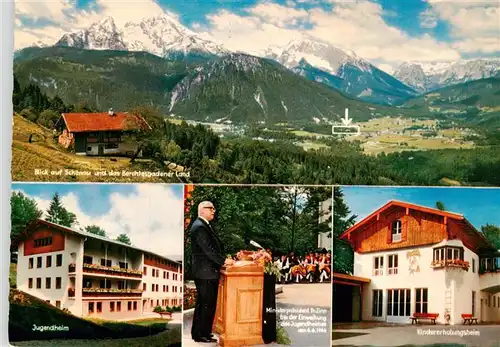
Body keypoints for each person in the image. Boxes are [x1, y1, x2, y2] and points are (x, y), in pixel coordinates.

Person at [190, 201, 234, 343]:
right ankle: (202, 334)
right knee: (207, 304)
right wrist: (223, 261)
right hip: (205, 273)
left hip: (206, 272)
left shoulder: (202, 225)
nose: (214, 211)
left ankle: (201, 332)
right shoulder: (200, 227)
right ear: (202, 210)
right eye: (211, 208)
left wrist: (222, 259)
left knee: (204, 304)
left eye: (214, 208)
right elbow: (208, 250)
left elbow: (212, 249)